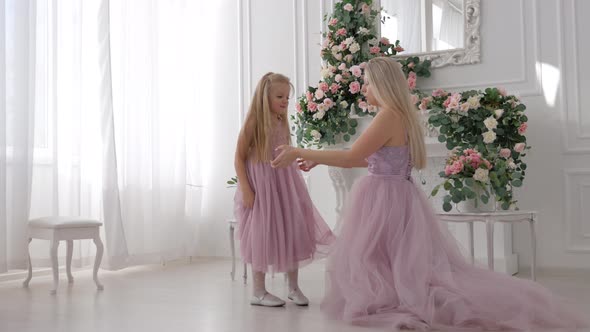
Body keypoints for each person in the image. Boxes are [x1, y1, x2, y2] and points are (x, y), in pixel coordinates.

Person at [271, 57, 587, 330]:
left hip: (385, 195)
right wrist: (315, 156)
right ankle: (392, 294)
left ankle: (397, 298)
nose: (364, 90)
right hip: (397, 194)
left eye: (367, 84)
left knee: (380, 257)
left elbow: (354, 157)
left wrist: (300, 149)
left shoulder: (388, 115)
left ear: (381, 84)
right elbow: (365, 153)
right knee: (391, 259)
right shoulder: (398, 114)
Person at [234, 72, 335, 307]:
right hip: (262, 185)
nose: (285, 101)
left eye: (287, 97)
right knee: (263, 231)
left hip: (285, 182)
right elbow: (239, 158)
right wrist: (247, 189)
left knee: (292, 227)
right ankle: (258, 291)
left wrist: (296, 160)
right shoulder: (253, 123)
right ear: (264, 97)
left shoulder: (281, 120)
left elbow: (283, 149)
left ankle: (293, 287)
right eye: (280, 96)